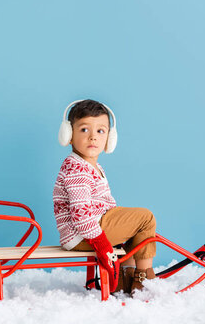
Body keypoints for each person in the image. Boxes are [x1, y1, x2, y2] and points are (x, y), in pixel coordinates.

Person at [53, 99, 157, 295]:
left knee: (132, 226)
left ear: (110, 138)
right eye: (84, 130)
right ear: (68, 135)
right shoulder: (77, 168)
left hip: (87, 230)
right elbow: (82, 215)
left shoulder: (91, 165)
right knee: (146, 218)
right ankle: (144, 279)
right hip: (82, 235)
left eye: (100, 131)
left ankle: (124, 279)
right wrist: (102, 245)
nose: (93, 137)